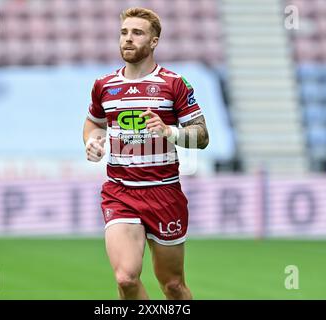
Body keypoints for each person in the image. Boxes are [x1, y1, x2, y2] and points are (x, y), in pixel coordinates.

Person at [82, 7, 209, 300]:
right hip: (120, 191)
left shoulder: (174, 84)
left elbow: (202, 136)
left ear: (153, 41)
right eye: (124, 32)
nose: (128, 39)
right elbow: (93, 123)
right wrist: (92, 141)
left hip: (164, 193)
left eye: (137, 33)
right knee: (126, 278)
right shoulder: (104, 86)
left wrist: (170, 132)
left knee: (173, 286)